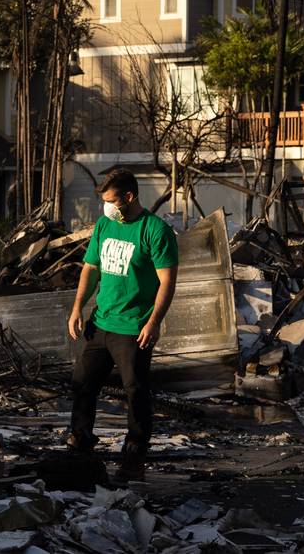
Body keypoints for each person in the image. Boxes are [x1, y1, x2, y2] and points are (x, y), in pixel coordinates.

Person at [66, 168, 178, 482]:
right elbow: (90, 269)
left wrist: (154, 322)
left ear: (129, 197)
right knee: (82, 384)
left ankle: (134, 454)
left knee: (136, 392)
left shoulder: (155, 230)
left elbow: (167, 283)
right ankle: (81, 443)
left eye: (112, 201)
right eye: (104, 201)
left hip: (133, 328)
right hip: (101, 322)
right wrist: (77, 308)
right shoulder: (104, 225)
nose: (108, 207)